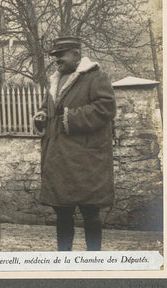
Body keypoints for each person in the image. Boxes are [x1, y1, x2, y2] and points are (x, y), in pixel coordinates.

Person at [33, 37, 116, 251]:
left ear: (77, 55)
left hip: (86, 159)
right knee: (62, 212)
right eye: (55, 56)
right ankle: (64, 259)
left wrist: (70, 117)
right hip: (59, 159)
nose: (57, 59)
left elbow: (105, 108)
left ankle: (94, 260)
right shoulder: (55, 80)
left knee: (90, 211)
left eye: (61, 54)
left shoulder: (96, 77)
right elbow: (47, 107)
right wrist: (41, 115)